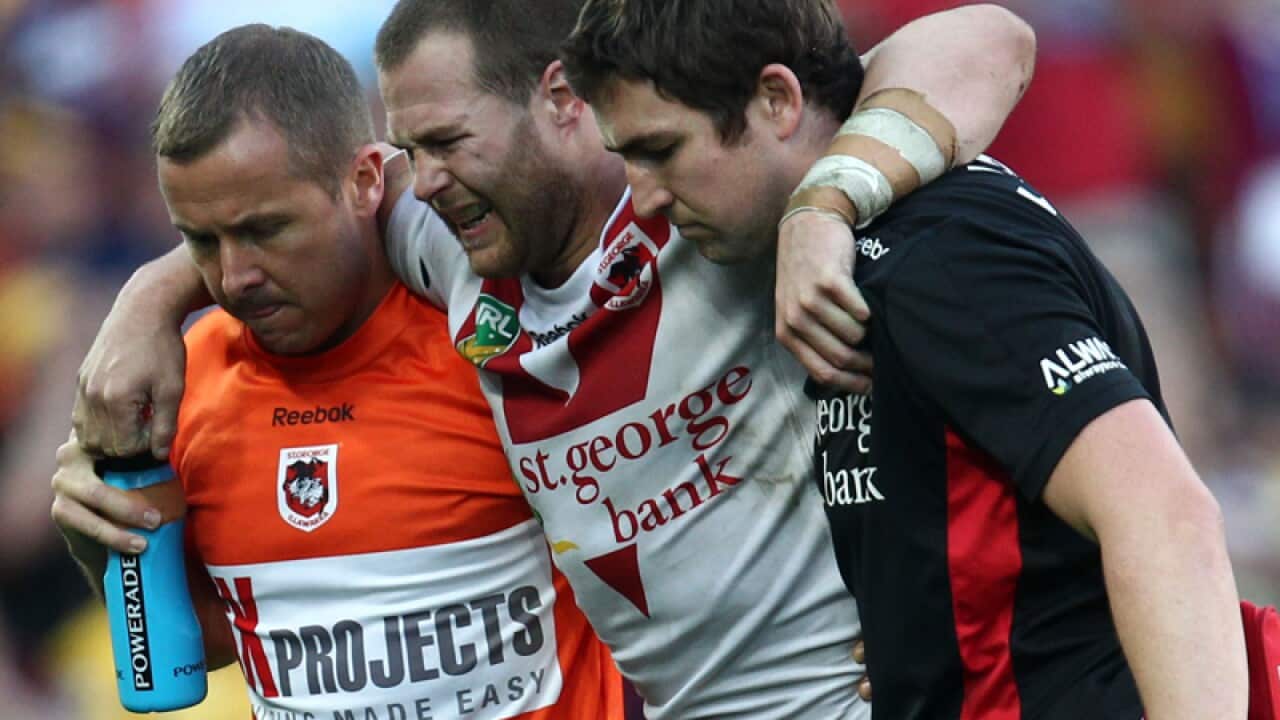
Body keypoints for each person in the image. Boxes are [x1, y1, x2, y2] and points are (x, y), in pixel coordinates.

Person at [61, 2, 1036, 718]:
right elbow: (287, 218)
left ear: (562, 100)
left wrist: (828, 202)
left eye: (441, 142)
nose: (423, 179)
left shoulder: (705, 208)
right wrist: (146, 303)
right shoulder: (453, 252)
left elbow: (987, 39)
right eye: (409, 149)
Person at [559, 1, 1249, 718]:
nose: (644, 200)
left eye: (662, 151)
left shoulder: (936, 256)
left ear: (776, 101)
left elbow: (1165, 517)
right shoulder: (861, 242)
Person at [51, 24, 623, 720]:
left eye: (266, 229)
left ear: (363, 182)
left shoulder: (489, 343)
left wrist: (149, 291)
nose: (235, 276)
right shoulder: (187, 382)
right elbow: (212, 643)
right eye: (200, 240)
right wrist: (103, 546)